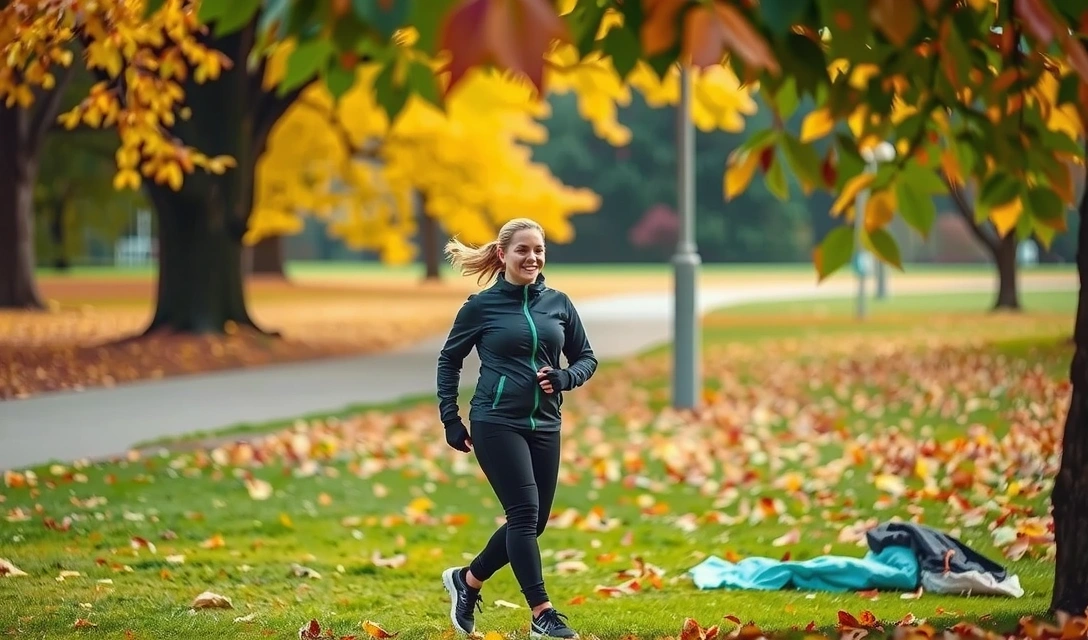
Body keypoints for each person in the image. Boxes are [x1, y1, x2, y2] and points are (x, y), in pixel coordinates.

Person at [435, 218, 598, 639]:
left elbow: (586, 358)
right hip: (495, 419)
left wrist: (566, 378)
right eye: (523, 250)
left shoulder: (559, 303)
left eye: (539, 249)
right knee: (523, 515)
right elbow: (449, 359)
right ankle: (542, 614)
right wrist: (450, 416)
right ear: (503, 254)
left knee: (534, 521)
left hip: (546, 422)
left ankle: (467, 581)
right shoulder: (481, 307)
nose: (533, 257)